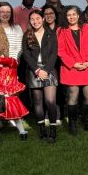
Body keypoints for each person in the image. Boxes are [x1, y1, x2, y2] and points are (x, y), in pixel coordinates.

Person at [57, 6, 88, 135]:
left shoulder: (86, 27)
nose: (72, 17)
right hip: (71, 69)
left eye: (74, 14)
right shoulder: (61, 30)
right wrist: (74, 64)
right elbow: (61, 51)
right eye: (69, 15)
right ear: (65, 17)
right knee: (73, 96)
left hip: (87, 67)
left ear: (79, 15)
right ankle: (72, 123)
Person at [22, 10, 60, 142]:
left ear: (43, 19)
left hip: (49, 70)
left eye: (38, 18)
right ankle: (42, 129)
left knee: (50, 102)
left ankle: (53, 130)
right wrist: (37, 70)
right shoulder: (27, 35)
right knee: (37, 102)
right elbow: (26, 55)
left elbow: (54, 54)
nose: (35, 21)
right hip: (34, 70)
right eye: (32, 19)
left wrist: (46, 70)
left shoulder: (51, 34)